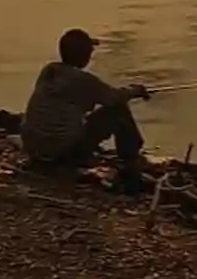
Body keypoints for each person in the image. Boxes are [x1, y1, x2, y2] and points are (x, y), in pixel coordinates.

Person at [21, 28, 149, 174]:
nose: (91, 53)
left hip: (33, 149)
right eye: (90, 50)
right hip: (61, 154)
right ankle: (130, 158)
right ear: (83, 55)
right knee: (118, 110)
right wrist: (136, 91)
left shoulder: (49, 72)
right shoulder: (82, 80)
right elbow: (114, 97)